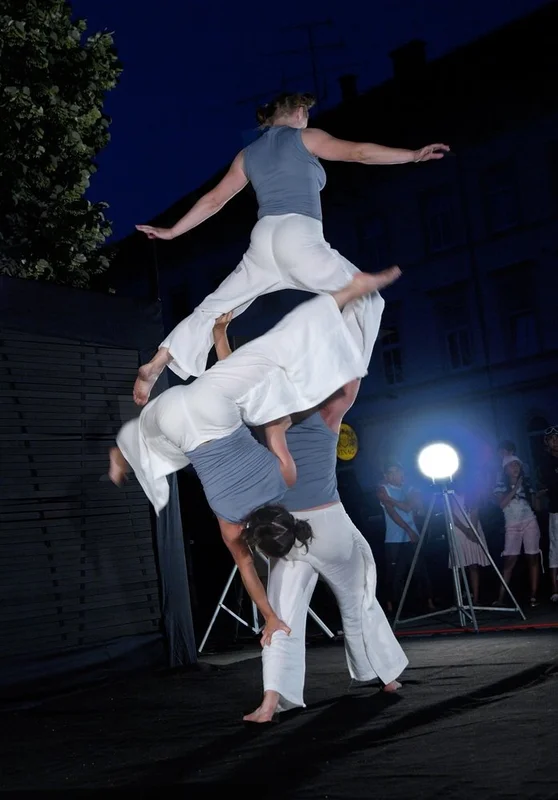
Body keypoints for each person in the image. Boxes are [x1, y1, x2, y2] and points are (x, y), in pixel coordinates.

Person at [109, 270, 400, 644]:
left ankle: (344, 295)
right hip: (171, 420)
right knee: (163, 451)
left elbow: (273, 422)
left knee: (271, 352)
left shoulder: (284, 478)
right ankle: (122, 451)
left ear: (285, 514)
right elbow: (248, 572)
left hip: (210, 405)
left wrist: (277, 397)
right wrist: (270, 618)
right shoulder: (232, 525)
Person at [133, 91, 449, 404]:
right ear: (299, 113)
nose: (307, 121)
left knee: (214, 307)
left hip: (264, 241)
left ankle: (158, 363)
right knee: (367, 297)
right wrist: (411, 155)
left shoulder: (248, 154)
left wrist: (173, 231)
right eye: (307, 116)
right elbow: (359, 153)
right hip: (299, 237)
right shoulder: (306, 137)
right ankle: (339, 385)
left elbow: (214, 200)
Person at [212, 317, 408, 723]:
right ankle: (385, 676)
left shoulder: (266, 420)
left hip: (282, 532)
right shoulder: (327, 415)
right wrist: (357, 327)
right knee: (358, 599)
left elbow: (233, 378)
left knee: (280, 614)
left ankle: (271, 702)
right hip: (324, 526)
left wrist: (220, 336)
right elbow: (353, 373)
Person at [377, 461, 435, 614]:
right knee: (394, 573)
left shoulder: (409, 488)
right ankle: (392, 605)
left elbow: (409, 506)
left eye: (398, 471)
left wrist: (391, 500)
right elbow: (392, 513)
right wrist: (407, 529)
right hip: (393, 538)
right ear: (387, 476)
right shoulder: (383, 489)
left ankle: (428, 602)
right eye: (392, 472)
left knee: (419, 569)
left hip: (412, 535)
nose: (396, 475)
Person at [493, 455, 541, 608]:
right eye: (511, 465)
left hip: (529, 522)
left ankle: (533, 595)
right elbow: (501, 505)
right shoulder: (500, 486)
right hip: (512, 525)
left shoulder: (527, 485)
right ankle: (501, 597)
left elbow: (537, 507)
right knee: (509, 560)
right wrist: (515, 488)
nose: (515, 467)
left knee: (532, 557)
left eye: (517, 465)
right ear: (505, 469)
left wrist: (537, 495)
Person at [449, 480, 491, 605]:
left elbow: (475, 513)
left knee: (473, 565)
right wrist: (465, 530)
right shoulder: (450, 495)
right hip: (458, 531)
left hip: (473, 528)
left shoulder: (472, 494)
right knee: (459, 567)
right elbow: (451, 515)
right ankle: (459, 599)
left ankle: (476, 598)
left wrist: (472, 530)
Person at [537, 426, 558, 602]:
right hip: (556, 509)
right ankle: (555, 589)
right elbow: (549, 484)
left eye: (557, 438)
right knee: (555, 549)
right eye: (551, 439)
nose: (555, 441)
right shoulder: (546, 461)